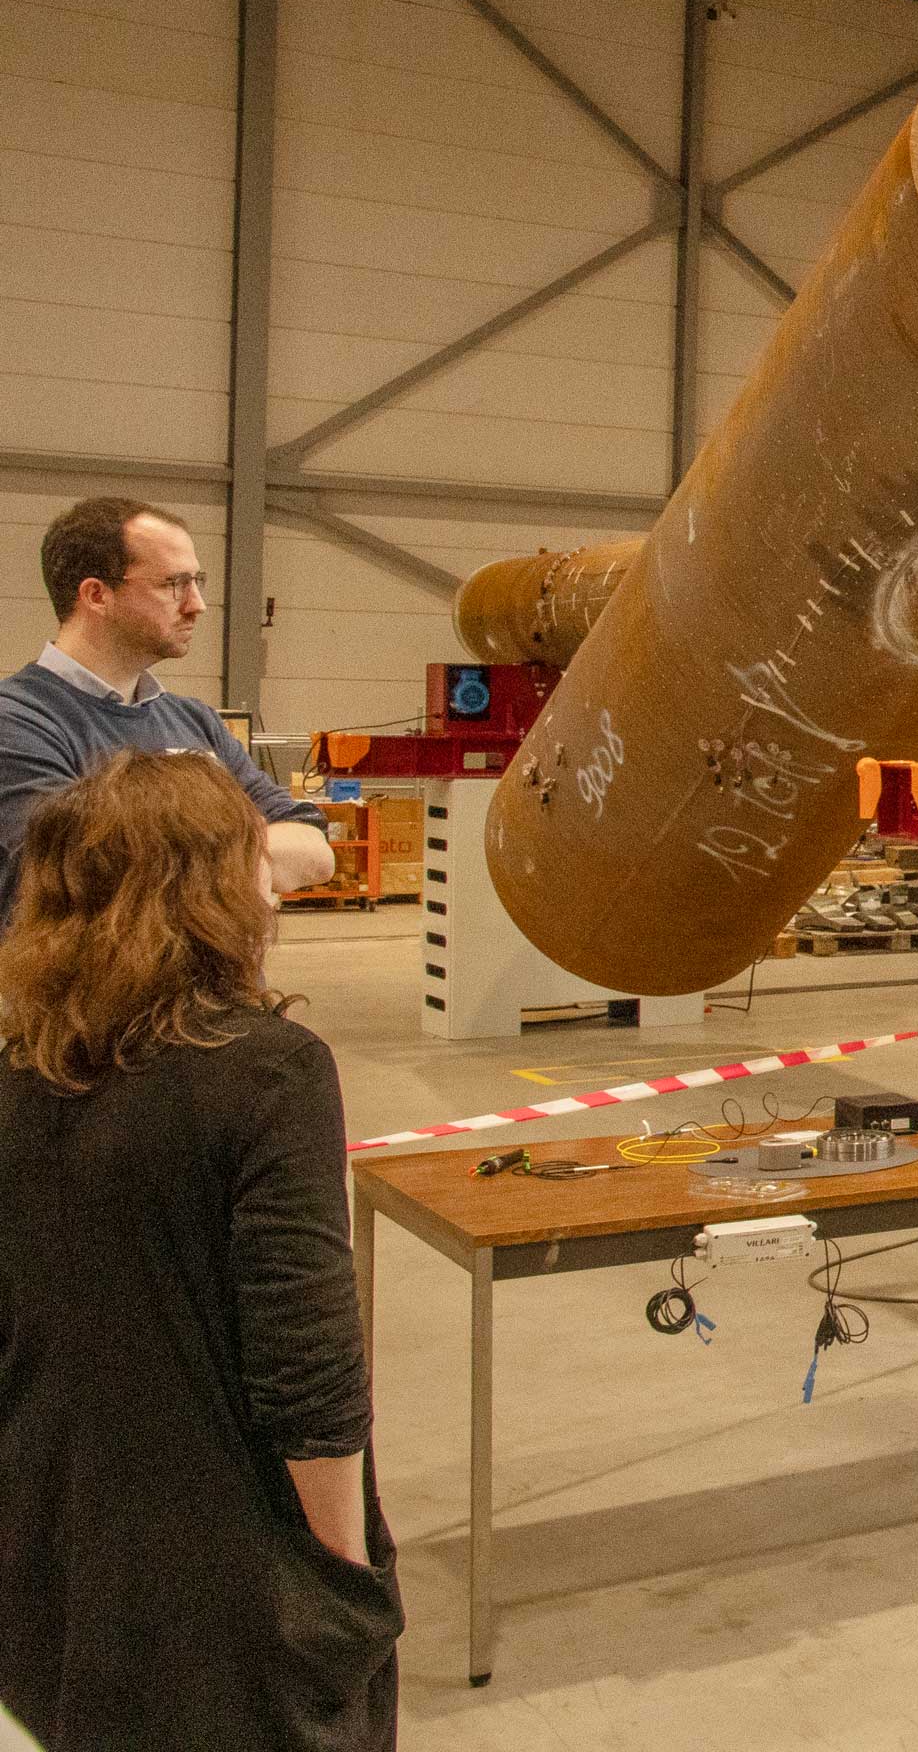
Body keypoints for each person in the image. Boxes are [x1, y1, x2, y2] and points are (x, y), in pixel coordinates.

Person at [0, 752, 401, 1750]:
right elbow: (307, 1364)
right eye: (255, 862)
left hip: (44, 1547)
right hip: (225, 1578)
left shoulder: (17, 1062)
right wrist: (342, 1573)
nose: (274, 888)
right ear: (210, 890)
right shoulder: (268, 1072)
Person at [0, 496, 334, 924]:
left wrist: (181, 867)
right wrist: (250, 867)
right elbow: (71, 876)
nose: (197, 604)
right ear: (97, 595)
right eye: (174, 584)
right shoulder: (18, 722)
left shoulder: (196, 722)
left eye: (198, 582)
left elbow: (314, 849)